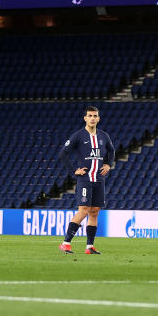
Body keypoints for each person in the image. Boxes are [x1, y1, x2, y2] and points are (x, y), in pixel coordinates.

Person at [59, 106, 116, 255]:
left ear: (98, 119)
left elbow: (112, 150)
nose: (92, 118)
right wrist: (74, 171)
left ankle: (89, 246)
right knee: (83, 211)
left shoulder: (104, 136)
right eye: (89, 115)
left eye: (95, 116)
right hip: (85, 179)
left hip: (99, 179)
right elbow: (63, 154)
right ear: (85, 118)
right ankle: (65, 243)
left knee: (95, 212)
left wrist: (108, 164)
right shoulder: (78, 136)